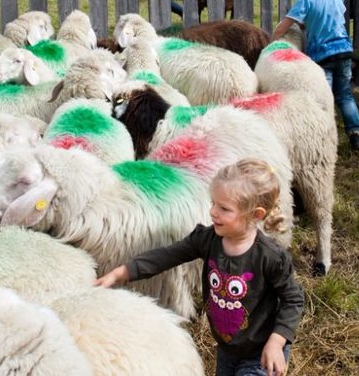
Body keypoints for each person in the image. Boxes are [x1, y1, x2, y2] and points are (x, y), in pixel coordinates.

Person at [95, 158, 304, 376]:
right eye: (213, 203)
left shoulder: (270, 256)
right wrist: (122, 272)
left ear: (255, 215)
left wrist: (277, 341)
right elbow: (168, 255)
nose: (213, 212)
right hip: (228, 347)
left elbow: (293, 298)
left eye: (224, 208)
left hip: (261, 351)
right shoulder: (208, 239)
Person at [271, 0, 359, 150]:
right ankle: (357, 135)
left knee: (322, 97)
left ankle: (323, 139)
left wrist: (271, 43)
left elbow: (284, 26)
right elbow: (334, 17)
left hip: (322, 54)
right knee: (345, 95)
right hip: (343, 50)